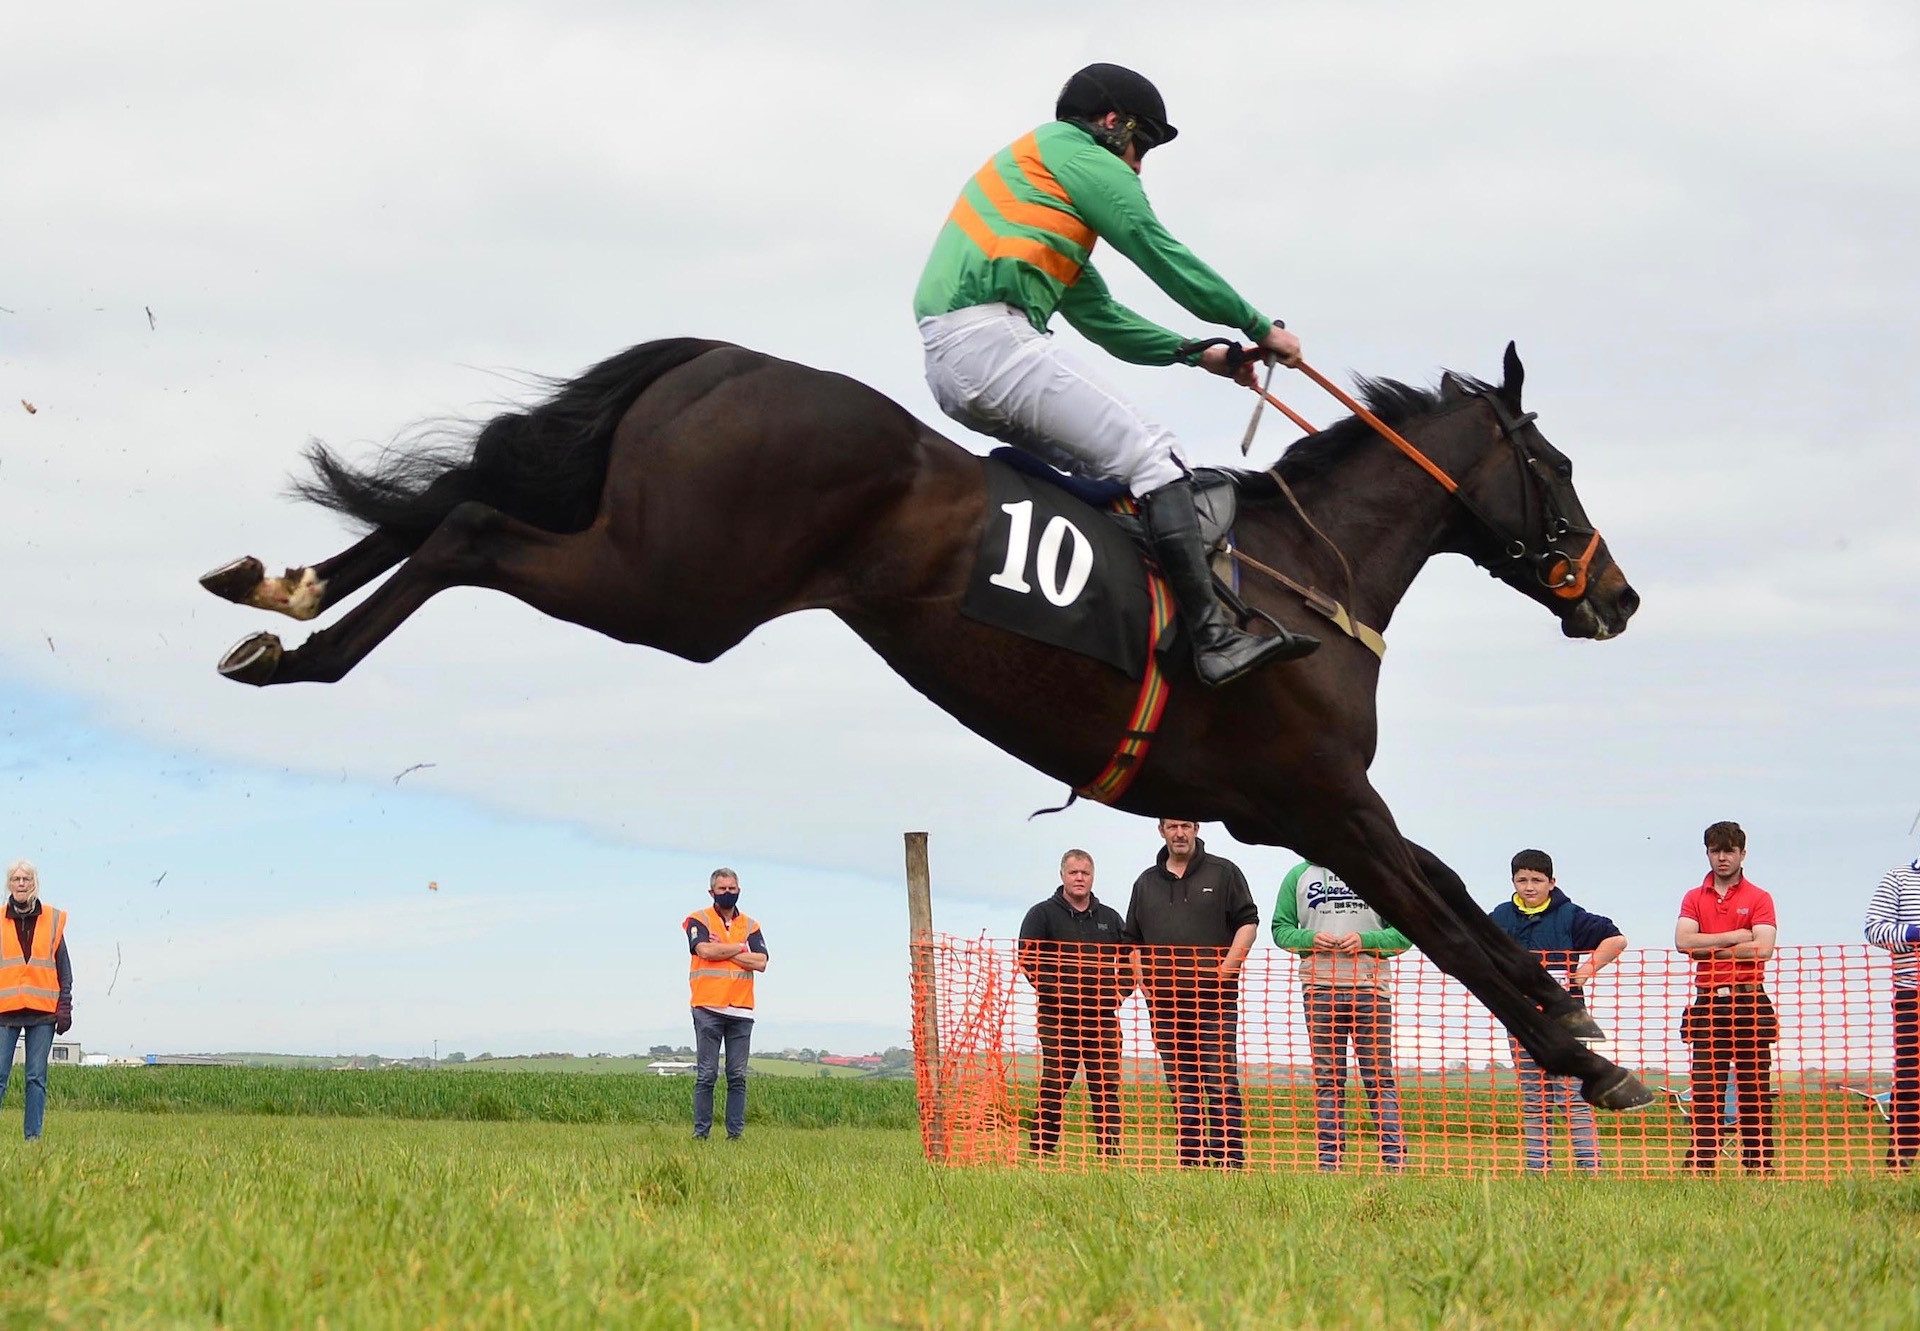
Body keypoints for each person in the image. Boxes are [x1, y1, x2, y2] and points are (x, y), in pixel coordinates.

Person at [914, 63, 1320, 686]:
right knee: (1158, 457)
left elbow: (1100, 316)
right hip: (992, 341)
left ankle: (1119, 622)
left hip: (955, 363)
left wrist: (1199, 353)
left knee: (1121, 476)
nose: (1137, 166)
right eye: (1142, 146)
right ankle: (1212, 639)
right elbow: (1155, 247)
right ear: (1113, 124)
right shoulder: (1075, 153)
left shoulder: (1041, 189)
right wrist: (1259, 327)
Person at [1121, 818, 1258, 1167]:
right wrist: (1144, 984)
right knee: (1182, 1087)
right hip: (1165, 1006)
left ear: (1197, 829)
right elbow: (1132, 942)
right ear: (1161, 831)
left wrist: (1227, 970)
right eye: (1172, 827)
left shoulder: (1224, 873)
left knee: (1219, 1081)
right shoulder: (1145, 882)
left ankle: (1229, 1162)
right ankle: (1191, 1162)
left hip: (1215, 1003)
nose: (1179, 833)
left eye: (1185, 826)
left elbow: (1248, 923)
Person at [1487, 849, 1627, 1173]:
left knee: (1573, 1096)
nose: (1530, 887)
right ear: (1513, 882)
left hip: (1568, 1020)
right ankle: (1539, 1171)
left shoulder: (1571, 915)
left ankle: (1590, 1170)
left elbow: (1616, 940)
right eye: (1522, 880)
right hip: (1522, 1020)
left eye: (1537, 880)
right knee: (1535, 1099)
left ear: (1552, 882)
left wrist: (1586, 970)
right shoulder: (1501, 916)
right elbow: (1480, 947)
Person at [1271, 860, 1410, 1172]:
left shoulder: (1377, 872)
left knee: (1378, 1077)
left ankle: (1395, 1162)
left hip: (1370, 989)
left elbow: (1404, 934)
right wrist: (1308, 939)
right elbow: (1280, 929)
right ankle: (1329, 1163)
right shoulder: (1297, 876)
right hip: (1319, 988)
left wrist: (1366, 940)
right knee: (1328, 1079)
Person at [1674, 821, 1778, 1174]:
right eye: (1715, 850)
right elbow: (1683, 942)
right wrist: (1735, 936)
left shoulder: (1760, 897)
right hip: (1708, 1003)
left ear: (1742, 854)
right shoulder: (1693, 897)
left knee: (1755, 1091)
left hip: (1750, 1002)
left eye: (1729, 850)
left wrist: (1710, 948)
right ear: (1707, 853)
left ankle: (1760, 1169)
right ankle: (1701, 1168)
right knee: (1706, 1091)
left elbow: (1763, 949)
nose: (1722, 857)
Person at [1016, 849, 1132, 1158]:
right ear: (1062, 875)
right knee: (1055, 1084)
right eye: (1073, 872)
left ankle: (1109, 1153)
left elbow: (1132, 962)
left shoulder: (1110, 918)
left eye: (1085, 873)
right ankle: (1041, 1150)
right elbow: (1028, 961)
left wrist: (1119, 993)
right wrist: (1060, 993)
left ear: (1093, 877)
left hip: (1103, 1019)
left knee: (1106, 1087)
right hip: (1057, 1019)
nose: (1079, 878)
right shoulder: (1041, 914)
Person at [682, 868, 767, 1141]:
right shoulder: (699, 919)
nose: (728, 893)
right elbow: (704, 950)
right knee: (707, 1075)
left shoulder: (752, 925)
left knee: (737, 1076)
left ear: (739, 889)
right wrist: (742, 948)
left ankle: (735, 1136)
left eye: (732, 888)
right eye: (722, 889)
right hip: (708, 1007)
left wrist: (727, 948)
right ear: (712, 892)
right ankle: (701, 1135)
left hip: (741, 1009)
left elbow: (762, 962)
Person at [0, 860, 73, 1142]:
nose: (21, 883)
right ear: (9, 884)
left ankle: (33, 1138)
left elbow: (64, 968)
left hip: (42, 1013)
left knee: (36, 1079)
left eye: (26, 879)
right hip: (6, 1013)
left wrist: (64, 1004)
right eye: (16, 879)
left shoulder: (52, 920)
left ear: (34, 883)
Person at [1864, 853, 1920, 1171]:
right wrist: (1914, 934)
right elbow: (1874, 929)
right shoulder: (1897, 878)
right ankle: (1899, 1163)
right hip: (1911, 995)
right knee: (1911, 1079)